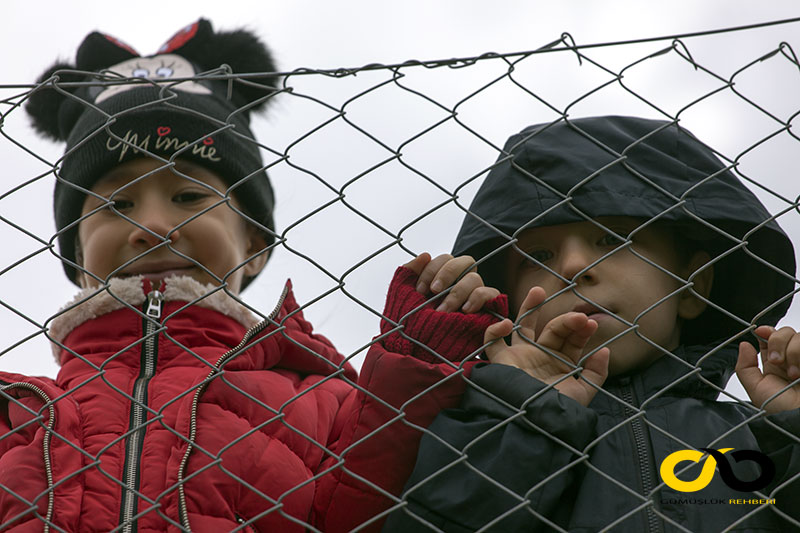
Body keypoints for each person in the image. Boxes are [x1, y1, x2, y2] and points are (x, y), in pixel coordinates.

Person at [2, 20, 507, 532]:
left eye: (188, 196)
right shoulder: (12, 413)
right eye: (118, 202)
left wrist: (416, 365)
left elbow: (367, 511)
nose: (152, 226)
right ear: (74, 256)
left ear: (255, 245)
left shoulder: (331, 404)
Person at [383, 116, 800, 532]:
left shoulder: (760, 440)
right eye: (538, 256)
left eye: (612, 239)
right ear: (508, 308)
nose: (573, 266)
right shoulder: (482, 435)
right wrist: (528, 416)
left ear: (691, 286)